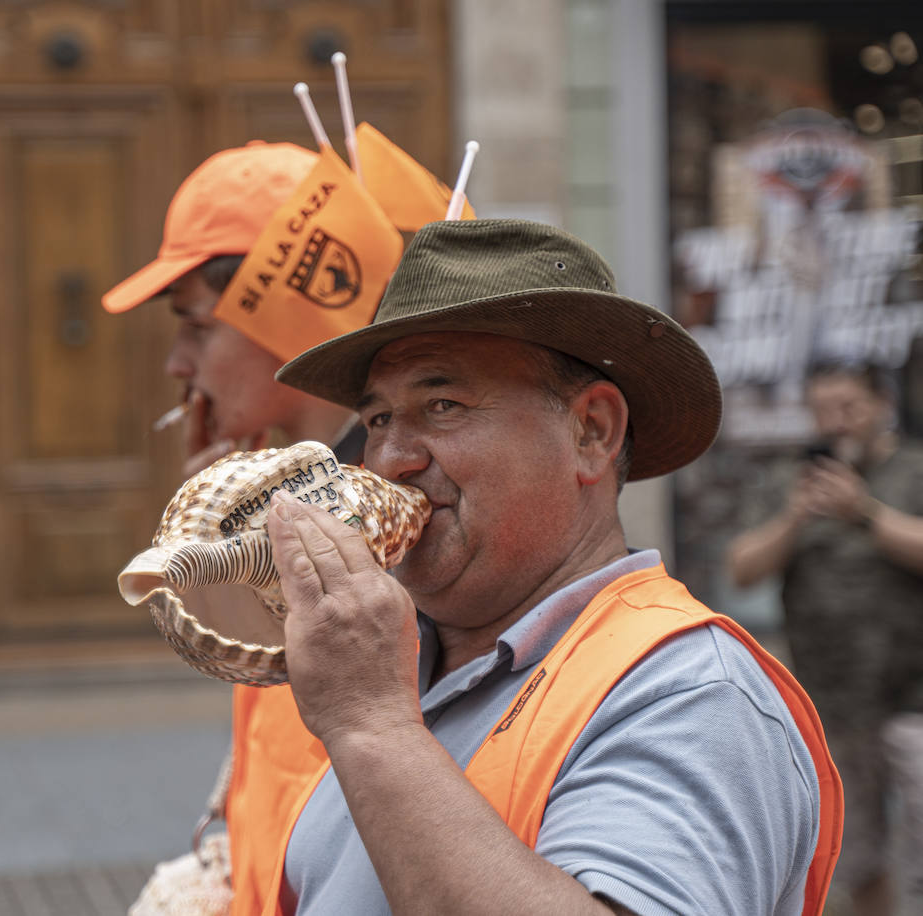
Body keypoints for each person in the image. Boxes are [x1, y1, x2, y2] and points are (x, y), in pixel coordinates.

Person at [256, 218, 843, 915]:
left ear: (591, 432)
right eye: (378, 420)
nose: (391, 462)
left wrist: (372, 727)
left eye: (442, 406)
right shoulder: (392, 661)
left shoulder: (690, 692)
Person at [103, 140, 396, 915]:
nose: (176, 363)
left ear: (288, 311)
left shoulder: (392, 525)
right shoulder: (287, 499)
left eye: (195, 328)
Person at [727, 362, 923, 915]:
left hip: (915, 699)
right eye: (821, 411)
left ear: (881, 405)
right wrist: (795, 516)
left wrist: (864, 512)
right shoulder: (795, 478)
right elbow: (742, 568)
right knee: (855, 855)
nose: (834, 423)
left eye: (848, 408)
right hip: (833, 703)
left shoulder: (912, 469)